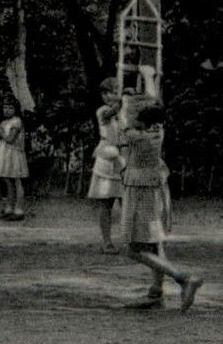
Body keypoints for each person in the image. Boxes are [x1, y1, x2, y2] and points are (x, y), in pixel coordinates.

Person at [117, 99, 203, 310]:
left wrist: (124, 104)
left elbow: (123, 123)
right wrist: (148, 79)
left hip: (141, 195)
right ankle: (156, 292)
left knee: (132, 249)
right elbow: (152, 106)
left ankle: (183, 277)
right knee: (156, 244)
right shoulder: (158, 131)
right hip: (155, 194)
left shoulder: (136, 136)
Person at [87, 78, 126, 253]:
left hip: (123, 156)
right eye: (112, 91)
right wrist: (122, 99)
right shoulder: (102, 111)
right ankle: (107, 242)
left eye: (118, 90)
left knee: (127, 201)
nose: (116, 94)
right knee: (106, 202)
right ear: (104, 95)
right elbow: (111, 112)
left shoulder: (124, 111)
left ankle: (132, 240)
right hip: (107, 156)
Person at [0, 97, 31, 221]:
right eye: (5, 107)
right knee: (8, 181)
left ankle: (19, 209)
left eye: (10, 108)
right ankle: (9, 207)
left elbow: (10, 139)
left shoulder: (17, 122)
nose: (7, 110)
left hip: (14, 154)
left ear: (15, 109)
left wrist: (1, 134)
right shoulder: (4, 122)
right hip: (5, 153)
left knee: (17, 181)